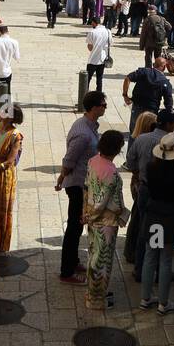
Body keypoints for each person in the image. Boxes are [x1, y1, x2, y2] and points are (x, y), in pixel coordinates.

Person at [58, 90, 106, 283]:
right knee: (74, 227)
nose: (105, 107)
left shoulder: (89, 125)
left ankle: (74, 260)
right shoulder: (83, 133)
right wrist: (62, 177)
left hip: (83, 183)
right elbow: (69, 160)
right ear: (94, 107)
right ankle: (67, 271)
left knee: (77, 226)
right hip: (78, 185)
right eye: (103, 105)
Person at [125, 109, 174, 275]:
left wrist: (138, 174)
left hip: (144, 188)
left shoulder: (141, 139)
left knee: (143, 227)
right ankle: (157, 269)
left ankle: (140, 267)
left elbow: (130, 161)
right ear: (169, 124)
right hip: (163, 194)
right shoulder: (170, 143)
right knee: (161, 230)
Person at [141, 131, 174, 313]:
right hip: (168, 217)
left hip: (153, 215)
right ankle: (163, 303)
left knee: (150, 256)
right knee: (166, 260)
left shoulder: (151, 168)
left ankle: (145, 298)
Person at [83, 129, 128, 310]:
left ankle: (91, 291)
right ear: (116, 149)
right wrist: (92, 215)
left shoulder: (93, 161)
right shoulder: (111, 171)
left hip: (93, 218)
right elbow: (102, 201)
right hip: (106, 221)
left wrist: (86, 213)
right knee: (102, 260)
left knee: (93, 254)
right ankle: (97, 299)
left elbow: (86, 188)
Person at [0, 103, 24, 255]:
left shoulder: (16, 136)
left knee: (2, 209)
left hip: (4, 175)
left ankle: (0, 243)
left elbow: (10, 161)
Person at [122, 56, 174, 142]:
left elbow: (127, 78)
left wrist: (125, 95)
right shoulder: (165, 82)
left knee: (134, 133)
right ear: (164, 67)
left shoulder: (143, 72)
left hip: (137, 108)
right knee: (148, 135)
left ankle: (131, 153)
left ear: (154, 64)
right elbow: (168, 104)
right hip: (152, 112)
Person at [0, 25, 20, 105]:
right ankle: (6, 111)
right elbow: (17, 57)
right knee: (6, 93)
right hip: (6, 72)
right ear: (8, 32)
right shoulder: (14, 42)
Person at [86, 16, 111, 93]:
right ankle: (99, 96)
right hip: (103, 59)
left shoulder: (92, 32)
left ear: (94, 22)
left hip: (93, 59)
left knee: (87, 79)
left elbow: (90, 48)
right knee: (99, 79)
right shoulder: (108, 31)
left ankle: (84, 96)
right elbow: (110, 44)